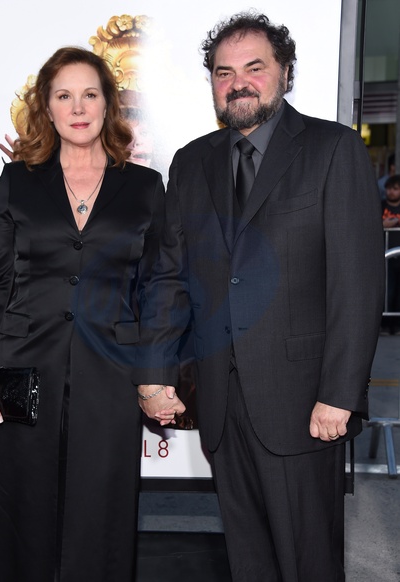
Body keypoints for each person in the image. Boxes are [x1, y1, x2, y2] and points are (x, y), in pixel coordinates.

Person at [133, 11, 385, 582]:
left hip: (306, 404)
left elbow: (357, 284)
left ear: (285, 73)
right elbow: (169, 277)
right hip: (222, 404)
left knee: (307, 562)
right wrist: (153, 375)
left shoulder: (333, 148)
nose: (238, 83)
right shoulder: (191, 161)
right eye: (223, 73)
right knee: (248, 562)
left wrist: (339, 394)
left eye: (254, 68)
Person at [0, 46, 183, 582]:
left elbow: (159, 286)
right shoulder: (17, 182)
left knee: (100, 514)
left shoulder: (144, 187)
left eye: (89, 94)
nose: (78, 107)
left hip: (111, 372)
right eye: (64, 96)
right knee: (19, 512)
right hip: (22, 367)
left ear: (108, 105)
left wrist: (155, 375)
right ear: (48, 107)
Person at [381, 174, 400, 333]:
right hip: (385, 254)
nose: (391, 192)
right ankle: (385, 324)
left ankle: (397, 325)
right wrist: (383, 224)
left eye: (395, 189)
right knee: (388, 290)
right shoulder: (380, 206)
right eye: (389, 188)